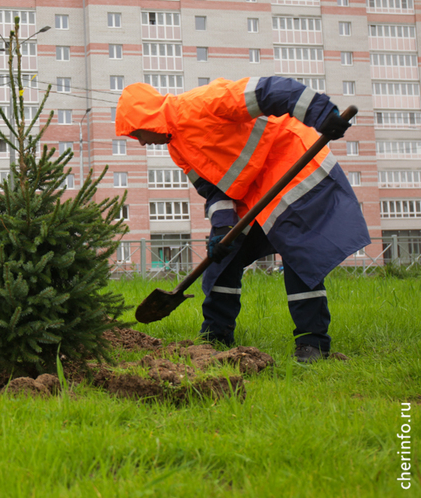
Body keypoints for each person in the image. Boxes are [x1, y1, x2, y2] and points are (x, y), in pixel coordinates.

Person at [116, 76, 370, 363]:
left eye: (136, 134)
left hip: (292, 167)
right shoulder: (178, 148)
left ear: (148, 121)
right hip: (252, 196)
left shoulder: (202, 103)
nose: (139, 143)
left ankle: (312, 344)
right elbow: (214, 190)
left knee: (300, 255)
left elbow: (269, 91)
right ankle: (215, 337)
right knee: (223, 261)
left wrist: (320, 112)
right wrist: (222, 229)